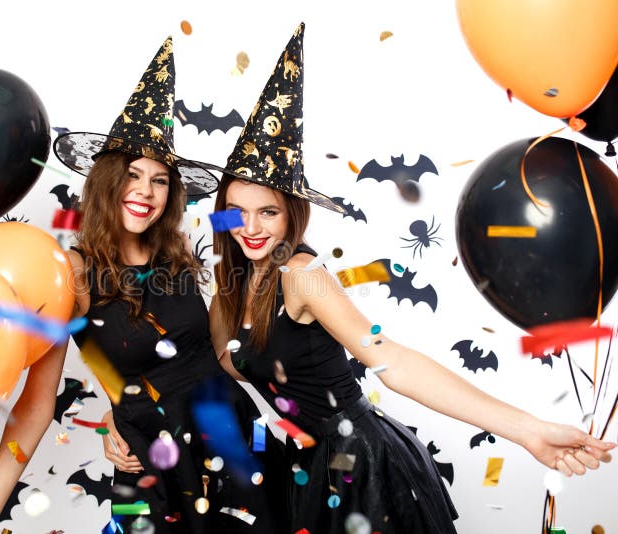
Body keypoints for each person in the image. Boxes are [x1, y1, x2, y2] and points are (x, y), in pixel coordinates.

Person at [206, 24, 616, 533]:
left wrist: (528, 431)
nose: (250, 228)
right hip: (305, 466)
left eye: (267, 212)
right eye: (236, 212)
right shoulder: (230, 286)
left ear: (292, 215)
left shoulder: (303, 277)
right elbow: (218, 366)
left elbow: (391, 359)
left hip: (358, 468)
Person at [0, 37, 281, 534]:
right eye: (133, 175)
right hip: (153, 463)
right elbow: (35, 407)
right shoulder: (72, 272)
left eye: (159, 180)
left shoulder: (178, 252)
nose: (145, 192)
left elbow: (197, 356)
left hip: (230, 442)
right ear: (108, 180)